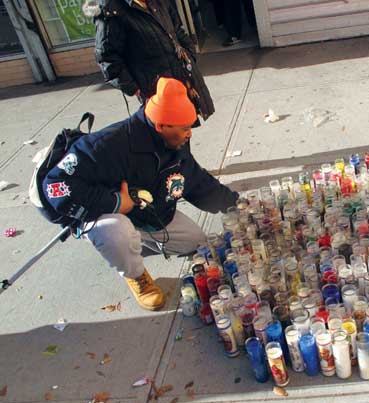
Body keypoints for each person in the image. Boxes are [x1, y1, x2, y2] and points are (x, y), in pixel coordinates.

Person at [42, 78, 239, 311]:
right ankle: (135, 275)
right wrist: (115, 202)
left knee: (197, 243)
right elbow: (55, 185)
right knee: (116, 232)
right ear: (161, 126)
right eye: (185, 128)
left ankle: (132, 243)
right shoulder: (106, 145)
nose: (189, 134)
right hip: (109, 215)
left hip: (151, 214)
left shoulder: (175, 142)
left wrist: (236, 205)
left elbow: (195, 179)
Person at [87, 0, 215, 122]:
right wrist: (135, 88)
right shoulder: (112, 9)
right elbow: (107, 57)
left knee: (183, 129)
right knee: (167, 136)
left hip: (181, 78)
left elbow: (177, 30)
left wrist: (190, 54)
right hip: (154, 90)